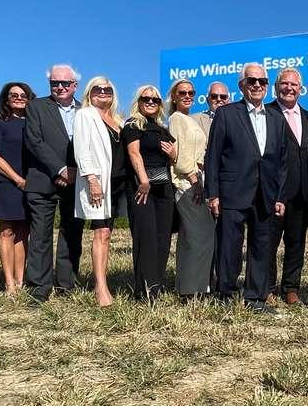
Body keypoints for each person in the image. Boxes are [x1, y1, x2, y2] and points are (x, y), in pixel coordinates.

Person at [204, 63, 288, 313]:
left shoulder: (276, 118)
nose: (258, 85)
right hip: (232, 191)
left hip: (266, 194)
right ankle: (225, 294)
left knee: (262, 246)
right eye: (252, 81)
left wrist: (280, 195)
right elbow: (213, 157)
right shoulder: (227, 114)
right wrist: (213, 193)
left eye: (262, 81)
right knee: (229, 245)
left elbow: (282, 162)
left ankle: (255, 298)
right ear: (242, 85)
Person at [23, 64, 85, 303]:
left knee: (72, 234)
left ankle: (66, 284)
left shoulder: (85, 110)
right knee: (40, 236)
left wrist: (75, 172)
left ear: (75, 86)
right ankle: (39, 287)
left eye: (65, 83)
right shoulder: (36, 107)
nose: (60, 87)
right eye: (54, 83)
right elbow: (34, 142)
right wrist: (60, 169)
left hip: (76, 182)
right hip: (43, 181)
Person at [122, 85, 178, 300]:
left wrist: (173, 154)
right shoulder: (133, 125)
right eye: (146, 98)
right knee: (145, 238)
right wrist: (143, 180)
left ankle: (156, 285)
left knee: (162, 238)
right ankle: (143, 289)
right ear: (139, 100)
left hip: (163, 188)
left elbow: (172, 158)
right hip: (142, 188)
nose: (151, 102)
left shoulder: (162, 128)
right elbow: (134, 153)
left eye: (155, 100)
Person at [265, 67, 308, 305]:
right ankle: (269, 287)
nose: (289, 88)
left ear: (300, 90)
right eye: (285, 84)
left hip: (301, 193)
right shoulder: (266, 113)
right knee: (269, 242)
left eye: (294, 85)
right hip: (273, 193)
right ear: (276, 87)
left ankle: (291, 288)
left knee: (296, 243)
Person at [73, 76, 121, 306]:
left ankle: (105, 280)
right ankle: (100, 286)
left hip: (119, 184)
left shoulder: (117, 120)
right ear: (89, 93)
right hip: (99, 182)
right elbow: (81, 149)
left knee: (108, 232)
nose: (103, 92)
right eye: (97, 89)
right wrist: (91, 179)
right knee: (100, 232)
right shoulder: (85, 115)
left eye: (107, 89)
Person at [167, 78, 214, 300]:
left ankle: (189, 287)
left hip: (197, 179)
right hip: (187, 183)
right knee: (201, 235)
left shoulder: (189, 119)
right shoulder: (176, 118)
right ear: (174, 96)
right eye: (182, 92)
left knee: (190, 237)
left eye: (191, 92)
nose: (187, 96)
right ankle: (194, 290)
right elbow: (179, 154)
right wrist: (193, 177)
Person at [0, 82, 34, 295]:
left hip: (31, 184)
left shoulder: (34, 123)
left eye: (23, 95)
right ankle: (9, 284)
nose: (18, 97)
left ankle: (20, 280)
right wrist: (18, 179)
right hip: (7, 183)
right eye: (13, 95)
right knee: (7, 230)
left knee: (23, 232)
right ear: (6, 99)